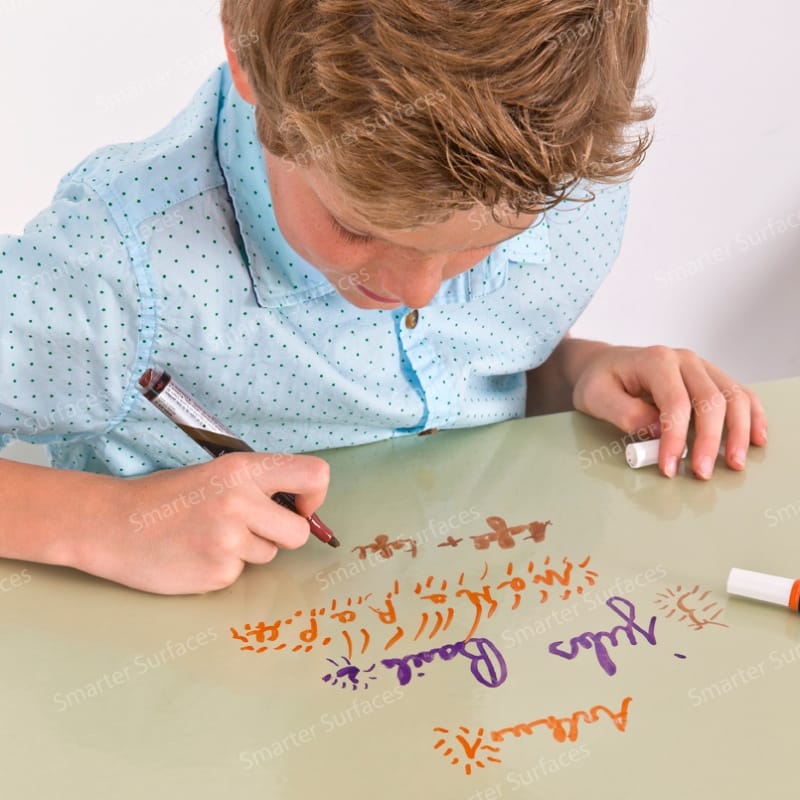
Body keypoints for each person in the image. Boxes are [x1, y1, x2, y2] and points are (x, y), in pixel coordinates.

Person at [0, 0, 766, 594]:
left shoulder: (566, 162)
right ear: (246, 59)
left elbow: (445, 365)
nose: (418, 291)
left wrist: (572, 376)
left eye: (487, 243)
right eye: (356, 229)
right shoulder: (112, 268)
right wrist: (106, 523)